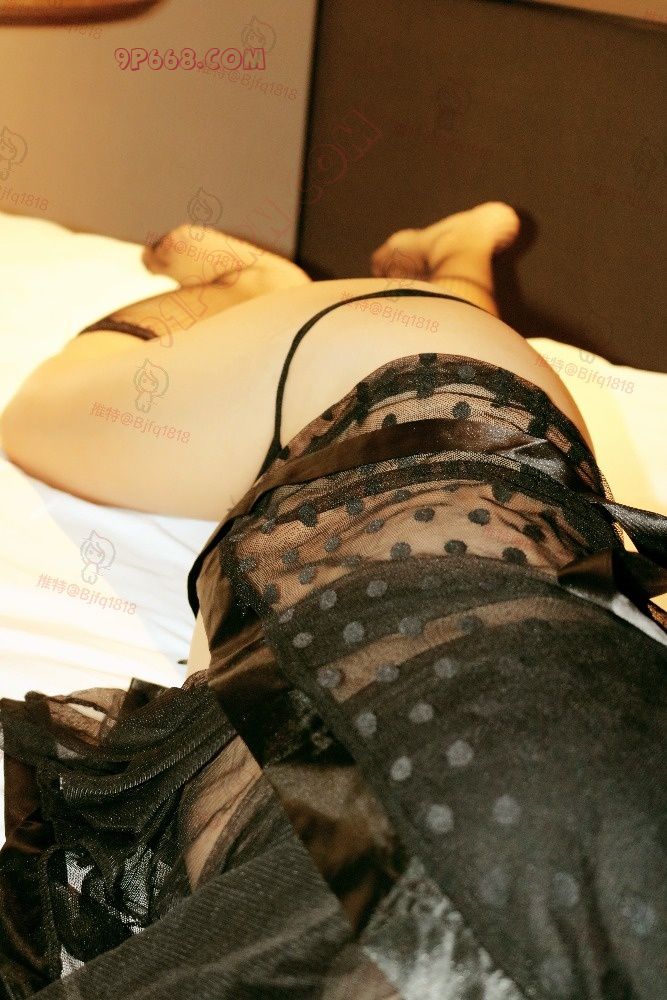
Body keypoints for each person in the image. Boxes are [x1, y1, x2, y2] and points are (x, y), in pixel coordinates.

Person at [0, 202, 665, 999]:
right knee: (39, 414)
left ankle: (452, 260)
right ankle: (260, 284)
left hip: (468, 502)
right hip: (418, 394)